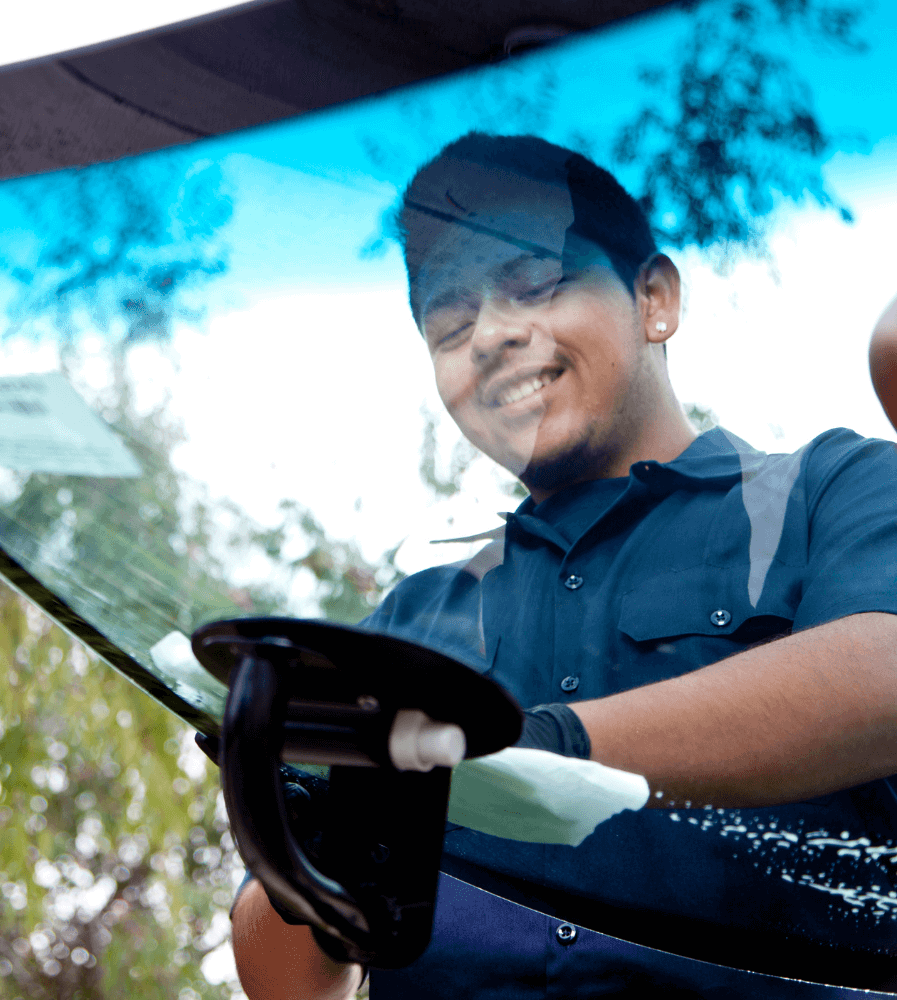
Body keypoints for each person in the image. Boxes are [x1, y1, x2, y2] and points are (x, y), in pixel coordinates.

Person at [229, 133, 897, 998]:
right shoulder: (407, 622)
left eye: (534, 284)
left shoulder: (835, 488)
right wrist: (305, 831)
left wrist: (537, 755)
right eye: (451, 322)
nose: (492, 337)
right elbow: (288, 985)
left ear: (654, 299)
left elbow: (882, 677)